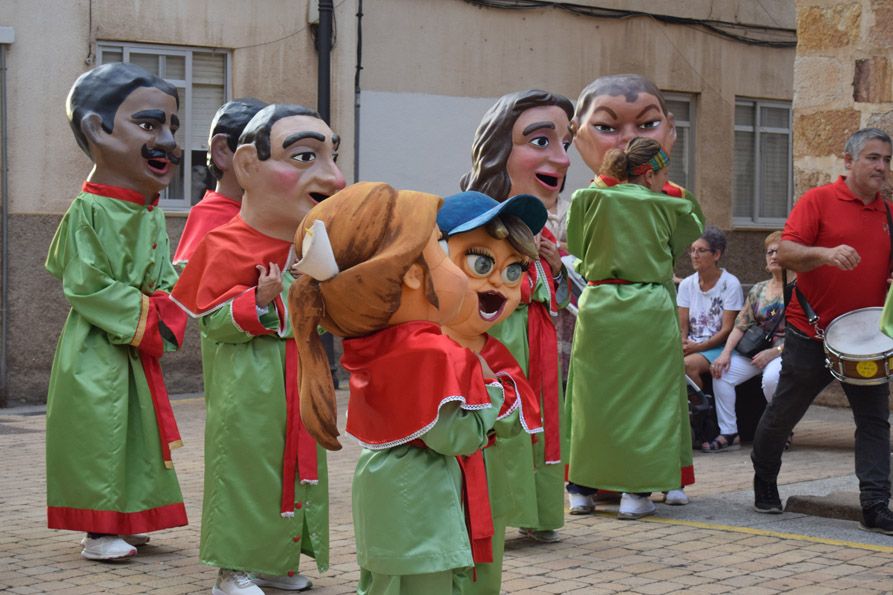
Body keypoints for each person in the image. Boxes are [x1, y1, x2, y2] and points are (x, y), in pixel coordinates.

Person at [290, 181, 504, 594]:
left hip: (380, 485)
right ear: (410, 275)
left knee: (384, 586)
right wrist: (493, 392)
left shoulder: (371, 344)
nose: (452, 266)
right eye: (439, 251)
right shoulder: (434, 351)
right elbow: (455, 436)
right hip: (422, 498)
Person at [172, 104, 345, 594]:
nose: (332, 176)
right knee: (245, 470)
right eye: (307, 156)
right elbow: (212, 323)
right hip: (248, 386)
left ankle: (276, 560)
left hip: (301, 381)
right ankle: (235, 569)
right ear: (247, 166)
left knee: (294, 471)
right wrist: (258, 301)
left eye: (332, 156)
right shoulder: (223, 244)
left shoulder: (313, 245)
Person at [45, 62, 189, 560]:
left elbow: (164, 273)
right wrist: (152, 316)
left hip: (129, 347)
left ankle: (125, 518)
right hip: (98, 347)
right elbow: (85, 284)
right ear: (96, 129)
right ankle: (98, 529)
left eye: (171, 126)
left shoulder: (145, 209)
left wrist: (179, 295)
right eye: (150, 125)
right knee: (99, 432)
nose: (167, 141)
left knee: (134, 436)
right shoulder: (90, 209)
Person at [565, 74, 704, 514]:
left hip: (600, 303)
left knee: (589, 400)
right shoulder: (674, 202)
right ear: (651, 171)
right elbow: (683, 242)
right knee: (651, 400)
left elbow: (581, 255)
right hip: (648, 304)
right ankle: (636, 493)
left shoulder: (589, 198)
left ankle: (580, 490)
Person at [751, 127, 893, 536]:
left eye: (885, 159)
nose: (881, 166)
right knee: (784, 414)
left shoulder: (887, 212)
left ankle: (875, 504)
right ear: (848, 162)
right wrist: (826, 254)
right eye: (873, 158)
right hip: (810, 333)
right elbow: (788, 251)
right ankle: (764, 474)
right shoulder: (818, 201)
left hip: (865, 342)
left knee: (873, 420)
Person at [460, 89, 572, 543]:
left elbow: (559, 297)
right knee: (502, 423)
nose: (562, 160)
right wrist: (528, 279)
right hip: (498, 343)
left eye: (565, 143)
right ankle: (498, 513)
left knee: (542, 422)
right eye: (543, 142)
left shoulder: (538, 225)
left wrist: (555, 267)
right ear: (499, 149)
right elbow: (472, 289)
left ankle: (540, 513)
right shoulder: (473, 221)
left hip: (538, 343)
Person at [438, 190, 548, 594]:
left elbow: (521, 416)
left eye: (513, 271)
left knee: (481, 577)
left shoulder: (494, 353)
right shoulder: (417, 343)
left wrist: (493, 386)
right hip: (425, 489)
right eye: (482, 263)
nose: (498, 285)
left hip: (484, 484)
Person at [707, 231, 786, 452]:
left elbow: (803, 334)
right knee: (721, 373)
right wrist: (725, 354)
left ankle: (779, 430)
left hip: (782, 351)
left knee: (771, 379)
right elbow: (741, 324)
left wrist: (774, 352)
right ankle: (729, 432)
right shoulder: (758, 289)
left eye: (778, 251)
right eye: (769, 252)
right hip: (755, 349)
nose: (773, 256)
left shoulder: (800, 289)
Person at [173, 97, 267, 265]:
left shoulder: (259, 215)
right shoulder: (214, 218)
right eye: (264, 151)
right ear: (222, 151)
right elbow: (191, 286)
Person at [677, 226, 744, 389]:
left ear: (716, 254)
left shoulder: (730, 284)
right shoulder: (686, 284)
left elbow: (727, 330)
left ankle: (700, 409)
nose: (694, 255)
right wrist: (683, 342)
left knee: (686, 365)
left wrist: (697, 348)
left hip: (719, 347)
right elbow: (683, 327)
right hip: (692, 345)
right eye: (692, 250)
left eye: (700, 250)